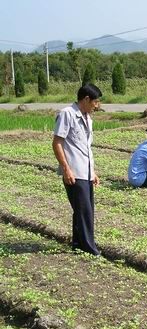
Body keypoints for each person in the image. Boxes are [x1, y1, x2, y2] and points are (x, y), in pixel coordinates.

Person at [52, 84, 102, 256]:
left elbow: (85, 148)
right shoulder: (67, 114)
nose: (97, 105)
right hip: (74, 171)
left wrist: (92, 171)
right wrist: (66, 169)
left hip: (85, 171)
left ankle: (78, 244)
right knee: (84, 211)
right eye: (95, 102)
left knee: (83, 209)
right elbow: (57, 142)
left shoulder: (88, 118)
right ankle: (90, 248)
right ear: (86, 99)